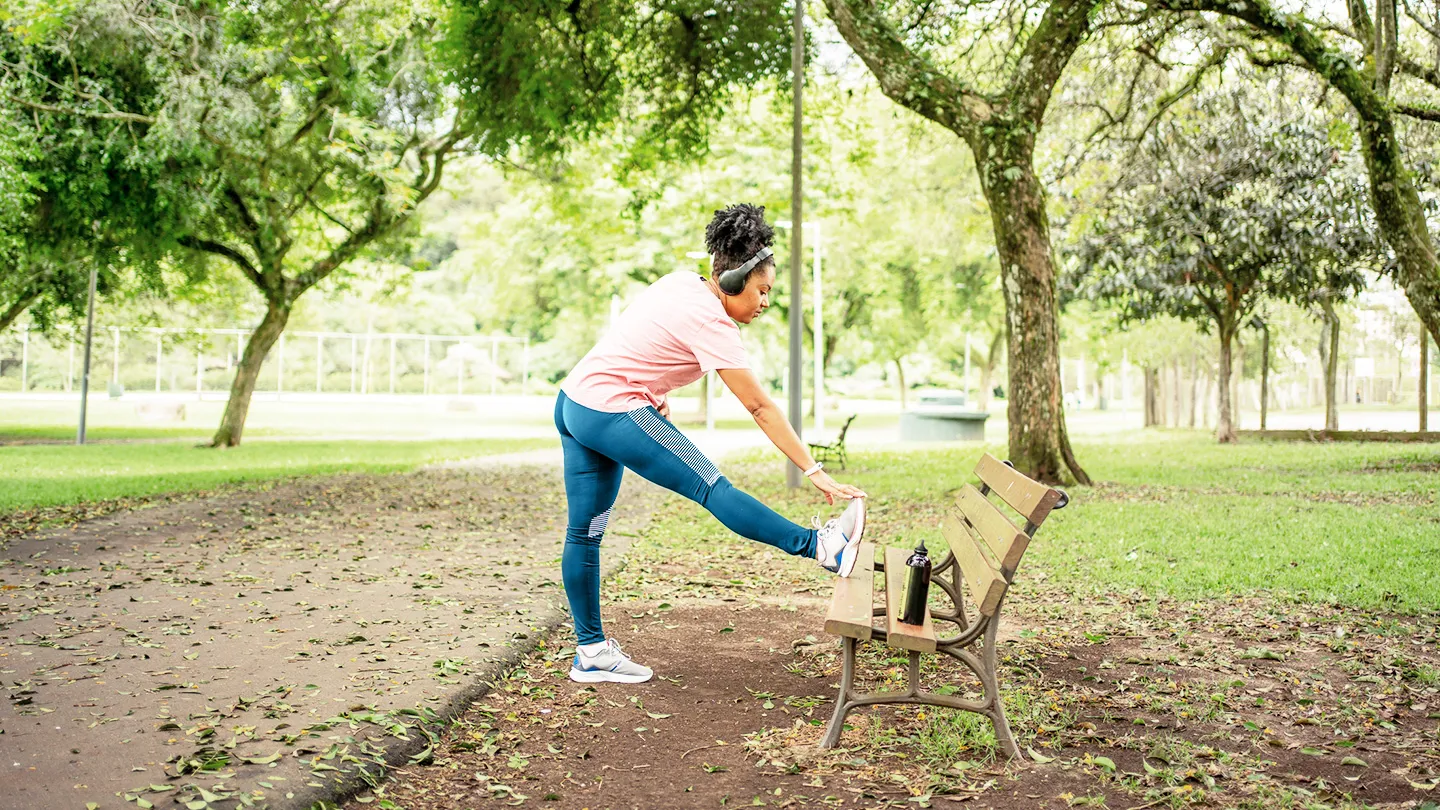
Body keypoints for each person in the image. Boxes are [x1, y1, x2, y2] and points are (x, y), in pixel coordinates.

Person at [554, 203, 868, 684]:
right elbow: (760, 407)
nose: (765, 302)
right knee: (711, 486)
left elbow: (640, 341)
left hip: (575, 403)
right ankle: (822, 548)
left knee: (585, 533)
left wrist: (652, 392)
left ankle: (591, 651)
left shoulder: (680, 282)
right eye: (762, 291)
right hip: (615, 408)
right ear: (734, 280)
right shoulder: (715, 324)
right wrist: (813, 469)